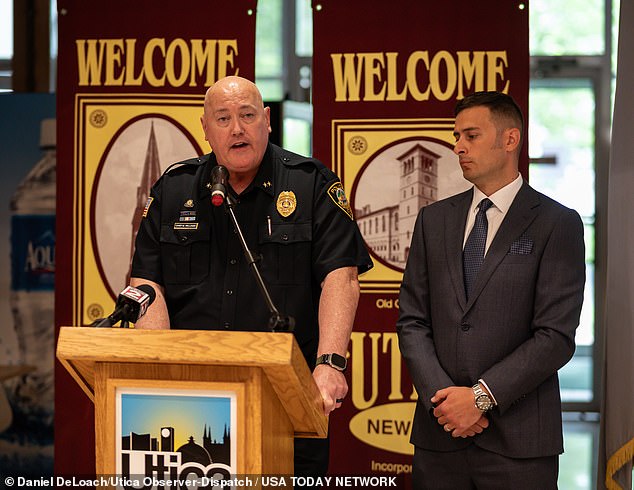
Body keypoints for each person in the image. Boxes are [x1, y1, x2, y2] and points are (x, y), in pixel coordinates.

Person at [130, 76, 373, 478]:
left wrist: (330, 363)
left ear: (267, 120)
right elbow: (147, 283)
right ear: (205, 129)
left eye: (247, 115)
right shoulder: (173, 190)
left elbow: (341, 277)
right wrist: (160, 370)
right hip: (193, 399)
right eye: (223, 118)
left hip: (286, 395)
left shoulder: (312, 184)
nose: (237, 128)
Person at [396, 91, 585, 489]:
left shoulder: (557, 223)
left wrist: (480, 397)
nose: (458, 147)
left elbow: (555, 337)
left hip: (519, 444)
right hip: (440, 437)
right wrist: (446, 403)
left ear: (510, 140)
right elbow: (412, 320)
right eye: (457, 136)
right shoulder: (434, 220)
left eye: (471, 136)